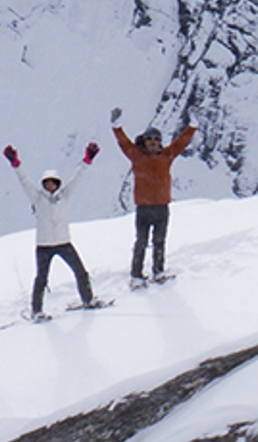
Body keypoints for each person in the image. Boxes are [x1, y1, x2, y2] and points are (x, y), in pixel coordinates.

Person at [114, 118, 196, 283]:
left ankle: (158, 271)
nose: (153, 142)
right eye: (149, 139)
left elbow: (181, 143)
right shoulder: (137, 156)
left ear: (160, 142)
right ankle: (136, 275)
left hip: (161, 207)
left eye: (156, 139)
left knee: (159, 241)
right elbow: (124, 143)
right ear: (144, 141)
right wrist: (117, 127)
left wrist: (192, 127)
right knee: (141, 242)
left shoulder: (167, 155)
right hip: (144, 208)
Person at [17, 159, 101, 318]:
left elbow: (77, 178)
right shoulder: (37, 197)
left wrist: (87, 161)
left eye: (53, 183)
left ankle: (88, 299)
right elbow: (24, 181)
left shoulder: (65, 195)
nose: (50, 186)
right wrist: (16, 165)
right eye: (47, 183)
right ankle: (36, 310)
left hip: (63, 242)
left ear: (57, 183)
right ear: (43, 184)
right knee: (41, 278)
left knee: (80, 271)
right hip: (44, 245)